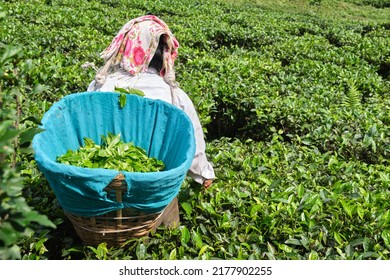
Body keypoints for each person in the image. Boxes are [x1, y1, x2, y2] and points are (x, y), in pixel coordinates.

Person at [86, 15, 215, 189]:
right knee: (167, 213)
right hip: (153, 182)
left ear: (127, 46)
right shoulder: (173, 94)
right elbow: (192, 139)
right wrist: (203, 173)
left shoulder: (99, 85)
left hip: (100, 178)